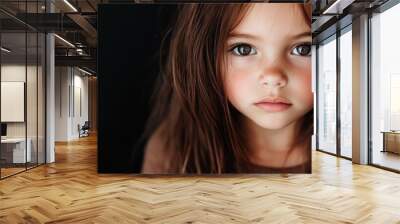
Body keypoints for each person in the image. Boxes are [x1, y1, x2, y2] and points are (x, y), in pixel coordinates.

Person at [140, 3, 313, 174]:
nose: (273, 78)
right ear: (206, 56)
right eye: (243, 49)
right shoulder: (175, 147)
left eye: (304, 49)